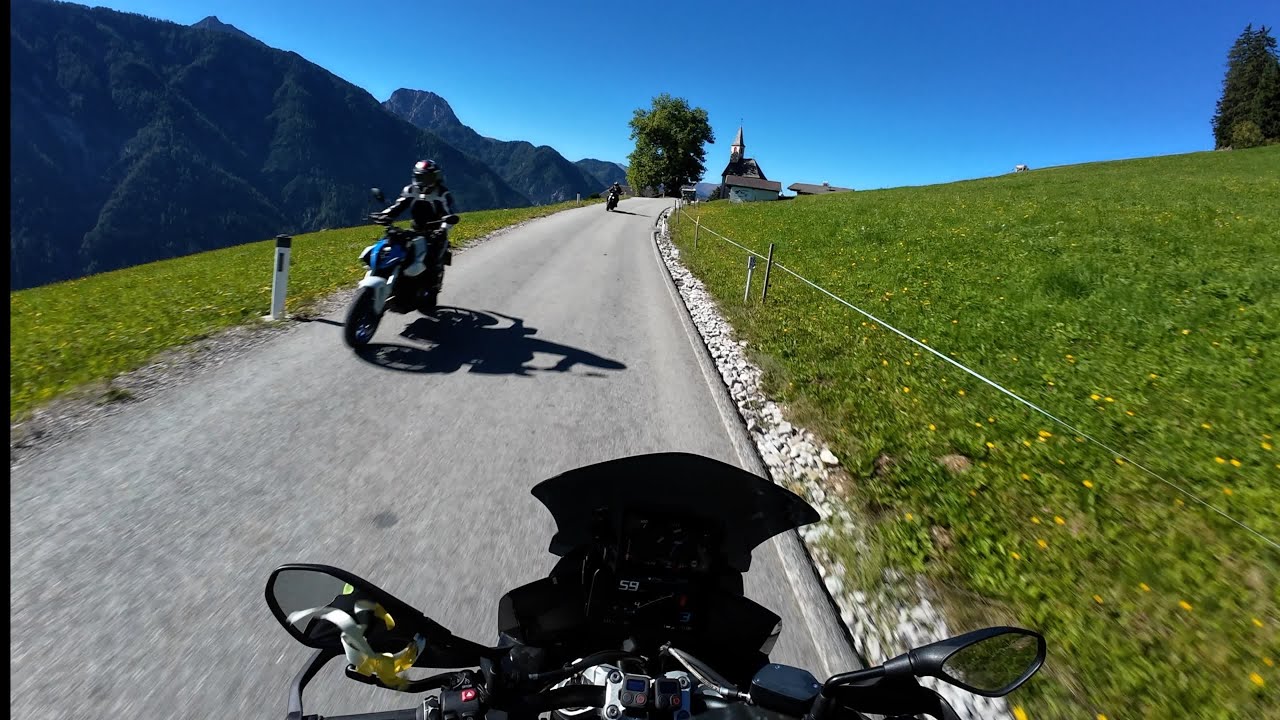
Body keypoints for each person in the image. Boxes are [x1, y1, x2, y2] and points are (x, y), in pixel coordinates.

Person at [371, 159, 457, 279]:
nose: (427, 182)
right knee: (393, 248)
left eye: (430, 177)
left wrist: (442, 229)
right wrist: (384, 215)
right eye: (423, 178)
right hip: (415, 230)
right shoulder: (410, 190)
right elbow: (397, 207)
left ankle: (429, 290)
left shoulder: (442, 194)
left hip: (436, 234)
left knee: (431, 264)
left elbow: (449, 214)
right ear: (416, 177)